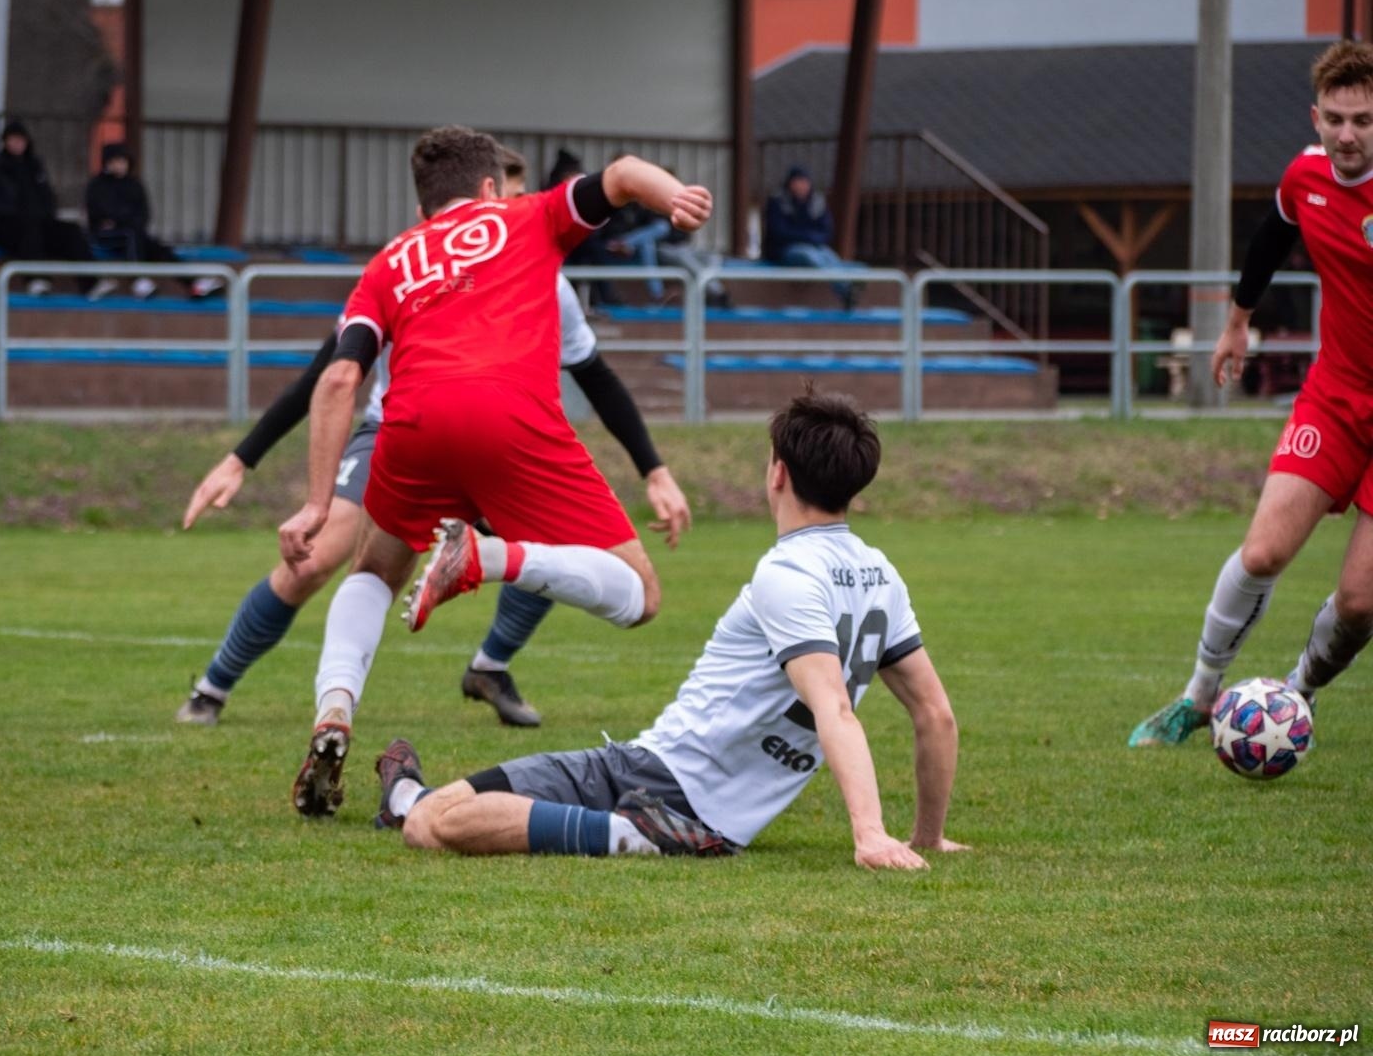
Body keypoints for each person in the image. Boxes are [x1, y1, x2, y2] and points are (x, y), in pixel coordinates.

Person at [279, 126, 712, 818]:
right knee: (640, 592)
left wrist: (314, 504)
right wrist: (675, 198)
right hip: (511, 417)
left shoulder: (390, 261)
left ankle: (334, 708)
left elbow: (337, 379)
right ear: (489, 188)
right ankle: (489, 556)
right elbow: (625, 172)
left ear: (422, 208)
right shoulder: (527, 215)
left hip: (412, 426)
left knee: (374, 571)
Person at [179, 149, 692, 731]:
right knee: (317, 562)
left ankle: (483, 666)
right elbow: (327, 374)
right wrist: (241, 458)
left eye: (519, 194)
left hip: (426, 435)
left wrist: (653, 469)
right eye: (508, 193)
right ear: (488, 191)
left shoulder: (474, 265)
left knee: (542, 553)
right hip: (409, 427)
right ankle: (214, 685)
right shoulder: (464, 246)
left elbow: (595, 375)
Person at [370, 390, 965, 869]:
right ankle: (405, 794)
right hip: (659, 778)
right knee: (440, 806)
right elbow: (934, 713)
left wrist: (870, 834)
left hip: (663, 786)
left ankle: (634, 835)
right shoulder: (880, 574)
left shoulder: (787, 572)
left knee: (433, 826)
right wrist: (928, 836)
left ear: (778, 473)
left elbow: (833, 708)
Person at [1129, 40, 1373, 747]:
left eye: (1363, 120)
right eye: (1336, 119)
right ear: (1316, 118)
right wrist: (1237, 322)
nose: (1348, 135)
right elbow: (1272, 237)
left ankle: (1295, 696)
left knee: (1360, 600)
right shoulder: (1305, 177)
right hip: (1336, 397)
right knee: (1263, 552)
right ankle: (1198, 698)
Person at [0, 121, 112, 300]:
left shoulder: (35, 167)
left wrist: (45, 214)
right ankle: (36, 280)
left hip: (38, 224)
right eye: (13, 140)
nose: (17, 144)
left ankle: (91, 283)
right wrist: (15, 214)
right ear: (5, 142)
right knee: (28, 228)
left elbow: (48, 198)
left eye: (20, 140)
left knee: (70, 231)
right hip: (5, 227)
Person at [85, 141, 223, 300]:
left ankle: (194, 283)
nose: (120, 165)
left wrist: (120, 220)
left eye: (123, 160)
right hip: (105, 237)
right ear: (107, 163)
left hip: (134, 234)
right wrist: (122, 220)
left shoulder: (134, 184)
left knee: (159, 249)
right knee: (131, 234)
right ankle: (138, 281)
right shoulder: (97, 185)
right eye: (116, 160)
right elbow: (100, 213)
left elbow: (142, 214)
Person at [762, 165, 863, 307]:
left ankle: (850, 285)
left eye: (804, 181)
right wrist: (807, 236)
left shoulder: (816, 202)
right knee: (809, 255)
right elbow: (779, 232)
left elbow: (826, 231)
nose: (801, 185)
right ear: (790, 183)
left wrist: (810, 237)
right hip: (784, 251)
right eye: (798, 181)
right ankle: (845, 289)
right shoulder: (778, 201)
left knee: (828, 255)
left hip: (815, 246)